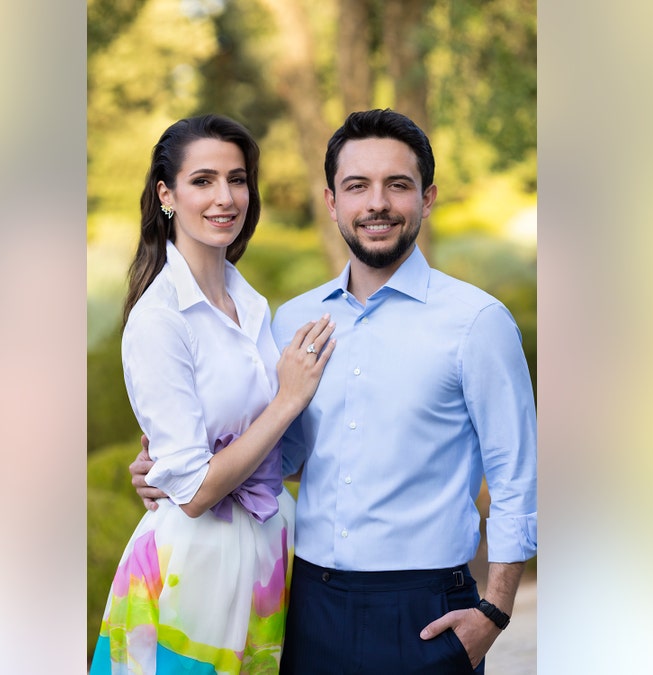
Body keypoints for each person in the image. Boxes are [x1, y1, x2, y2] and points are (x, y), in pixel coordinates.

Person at [132, 109, 537, 673]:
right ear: (331, 202)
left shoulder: (477, 323)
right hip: (307, 604)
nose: (377, 204)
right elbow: (285, 455)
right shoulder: (292, 322)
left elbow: (517, 474)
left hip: (426, 609)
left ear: (428, 197)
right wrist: (176, 466)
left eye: (398, 185)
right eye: (357, 187)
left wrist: (494, 611)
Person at [90, 114, 337, 675]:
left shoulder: (251, 305)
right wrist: (286, 401)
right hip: (193, 569)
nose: (225, 197)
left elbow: (264, 450)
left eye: (237, 179)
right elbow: (196, 492)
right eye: (202, 180)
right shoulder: (159, 319)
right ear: (166, 194)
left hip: (269, 551)